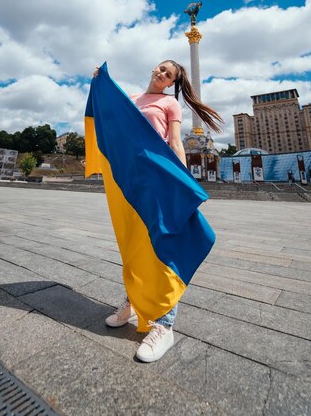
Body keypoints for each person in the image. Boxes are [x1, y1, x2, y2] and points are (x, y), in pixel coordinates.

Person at [94, 60, 222, 362]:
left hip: (158, 179)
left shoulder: (169, 104)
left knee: (162, 244)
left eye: (169, 75)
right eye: (161, 68)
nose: (162, 74)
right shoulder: (133, 100)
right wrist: (99, 84)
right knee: (134, 245)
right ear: (153, 69)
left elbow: (175, 143)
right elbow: (112, 124)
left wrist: (183, 180)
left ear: (171, 83)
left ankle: (164, 326)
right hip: (131, 180)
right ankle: (133, 302)